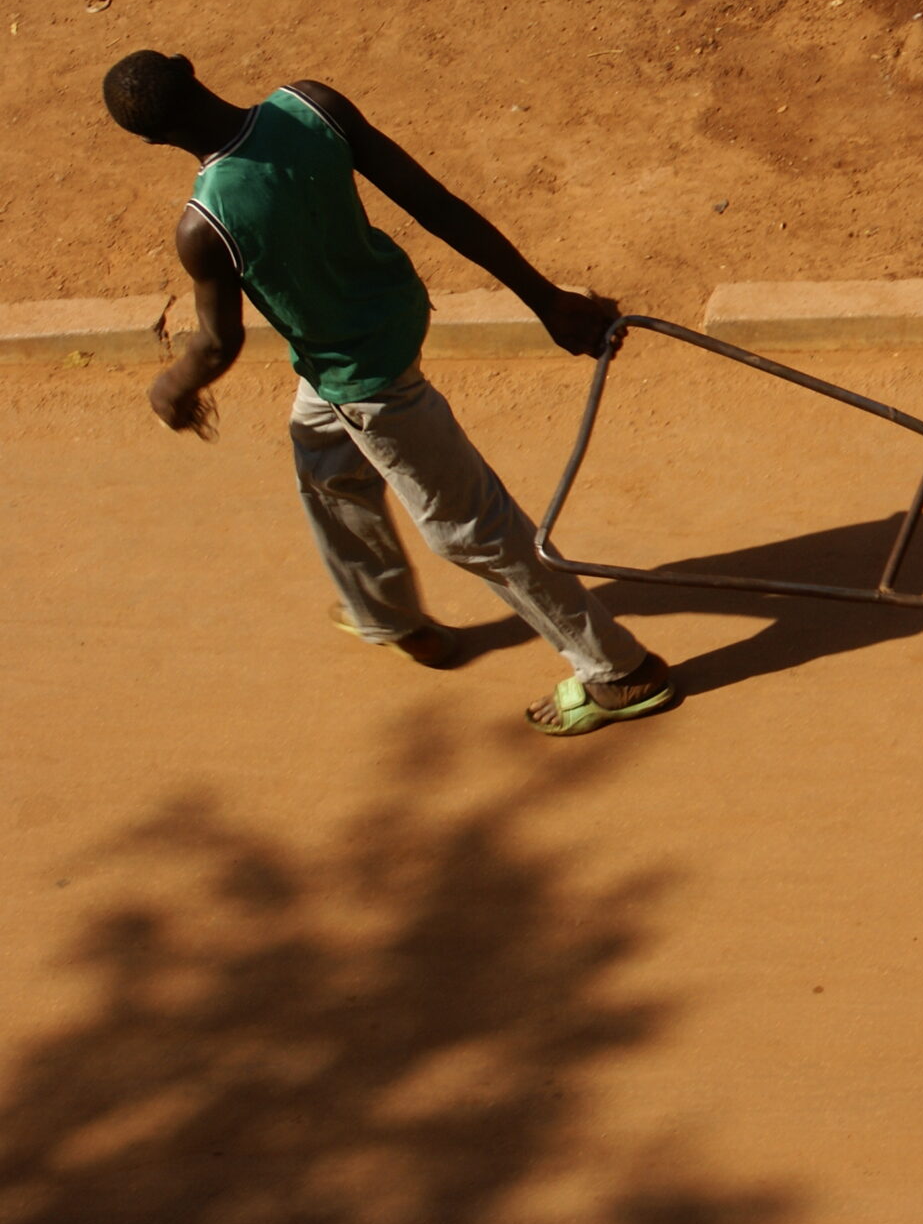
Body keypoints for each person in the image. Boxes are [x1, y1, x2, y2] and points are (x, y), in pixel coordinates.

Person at [103, 50, 678, 736]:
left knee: (473, 532)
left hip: (363, 381)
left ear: (149, 141)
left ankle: (618, 670)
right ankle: (387, 616)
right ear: (190, 68)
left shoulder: (204, 226)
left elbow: (218, 343)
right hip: (388, 320)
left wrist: (173, 387)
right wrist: (543, 299)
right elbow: (435, 205)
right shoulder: (312, 106)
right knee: (325, 468)